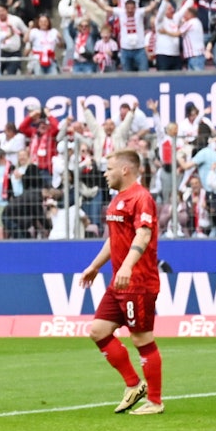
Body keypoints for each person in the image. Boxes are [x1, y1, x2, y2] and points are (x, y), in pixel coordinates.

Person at [79, 149, 165, 415]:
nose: (105, 173)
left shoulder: (141, 198)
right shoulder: (117, 200)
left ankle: (155, 401)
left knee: (141, 338)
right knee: (98, 330)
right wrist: (95, 266)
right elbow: (114, 239)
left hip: (138, 282)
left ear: (125, 170)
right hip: (119, 282)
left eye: (109, 168)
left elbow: (143, 234)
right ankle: (133, 385)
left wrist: (127, 264)